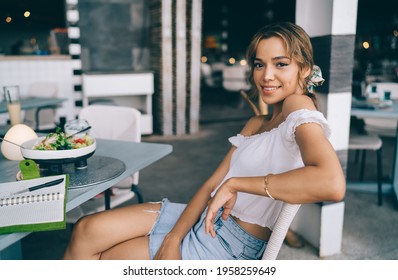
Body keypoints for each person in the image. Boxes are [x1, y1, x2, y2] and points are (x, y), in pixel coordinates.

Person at [63, 22, 346, 260]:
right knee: (87, 229)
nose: (266, 75)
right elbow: (212, 184)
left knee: (106, 259)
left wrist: (236, 184)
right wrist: (175, 237)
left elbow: (331, 184)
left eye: (280, 64)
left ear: (305, 70)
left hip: (229, 244)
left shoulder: (298, 106)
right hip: (203, 218)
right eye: (259, 64)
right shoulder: (257, 122)